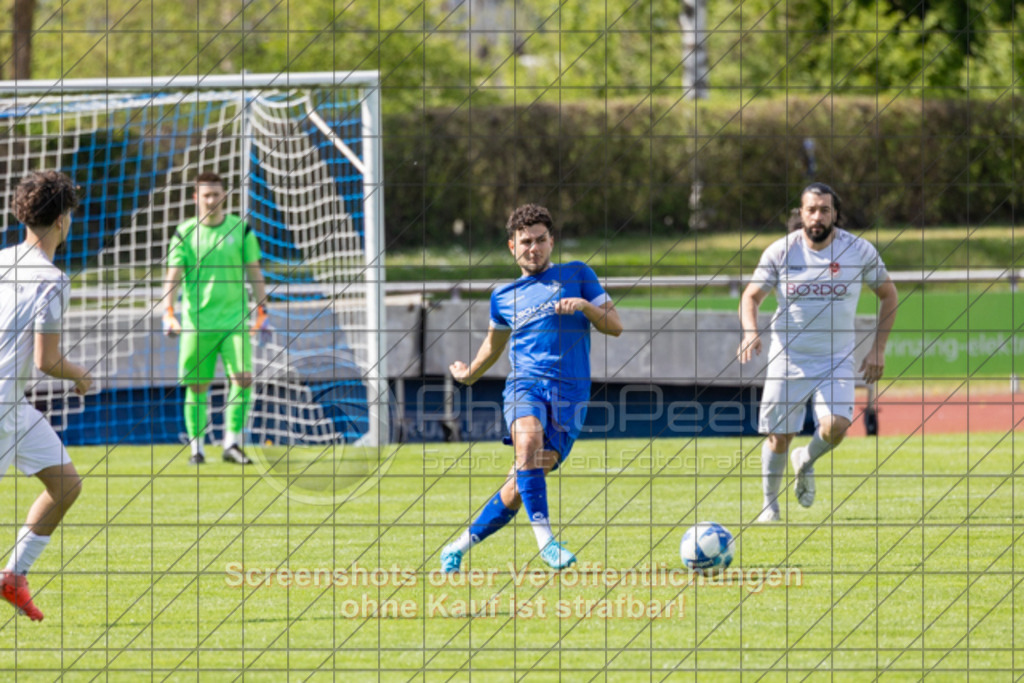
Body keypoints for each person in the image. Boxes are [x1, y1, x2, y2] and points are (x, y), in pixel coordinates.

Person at [442, 204, 623, 572]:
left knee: (519, 484)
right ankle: (548, 544)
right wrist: (469, 374)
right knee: (526, 441)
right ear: (512, 247)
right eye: (526, 241)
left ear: (552, 241)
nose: (534, 248)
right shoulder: (503, 297)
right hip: (526, 386)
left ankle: (456, 547)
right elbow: (495, 346)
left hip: (570, 397)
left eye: (541, 240)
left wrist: (586, 307)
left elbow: (615, 326)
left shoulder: (578, 274)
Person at [739, 183, 898, 522]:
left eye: (824, 210)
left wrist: (878, 349)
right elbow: (750, 296)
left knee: (836, 426)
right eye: (811, 209)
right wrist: (751, 332)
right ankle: (770, 505)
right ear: (801, 213)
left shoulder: (858, 251)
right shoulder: (781, 252)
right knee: (779, 436)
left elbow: (889, 294)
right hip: (788, 356)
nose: (817, 216)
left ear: (835, 214)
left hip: (835, 356)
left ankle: (806, 460)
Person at [0, 171, 94, 621]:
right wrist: (80, 375)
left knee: (65, 485)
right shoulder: (51, 280)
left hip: (12, 406)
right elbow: (47, 360)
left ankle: (13, 576)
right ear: (62, 221)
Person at [162, 172, 271, 465]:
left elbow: (254, 271)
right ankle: (197, 448)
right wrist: (168, 313)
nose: (212, 199)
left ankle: (231, 444)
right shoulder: (184, 232)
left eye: (216, 194)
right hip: (198, 323)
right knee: (197, 385)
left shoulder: (241, 229)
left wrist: (263, 310)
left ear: (224, 196)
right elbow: (173, 276)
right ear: (196, 198)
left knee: (244, 378)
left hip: (235, 320)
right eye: (206, 195)